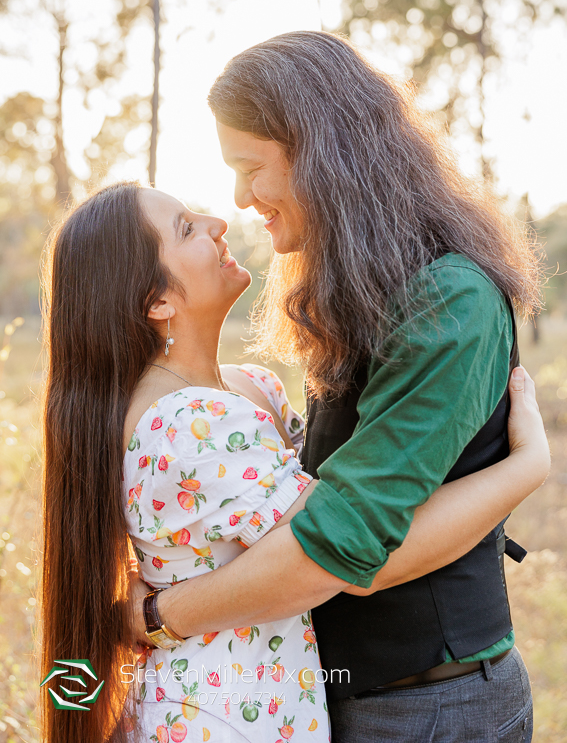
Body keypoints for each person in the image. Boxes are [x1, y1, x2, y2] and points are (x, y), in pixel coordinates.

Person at [127, 32, 549, 742]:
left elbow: (349, 553)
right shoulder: (362, 291)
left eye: (249, 167)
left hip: (428, 709)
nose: (238, 198)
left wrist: (161, 617)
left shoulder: (447, 299)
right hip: (351, 698)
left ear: (319, 153)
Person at [39, 180, 546, 743]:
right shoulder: (190, 423)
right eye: (186, 228)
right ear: (158, 302)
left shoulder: (244, 390)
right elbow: (350, 548)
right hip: (225, 717)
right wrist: (522, 469)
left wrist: (156, 612)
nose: (218, 222)